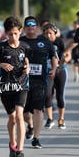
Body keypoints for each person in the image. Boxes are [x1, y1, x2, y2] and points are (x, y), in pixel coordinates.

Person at [0, 16, 30, 157]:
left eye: (16, 33)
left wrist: (27, 67)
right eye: (10, 34)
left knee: (19, 115)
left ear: (20, 31)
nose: (13, 37)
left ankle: (20, 151)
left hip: (21, 85)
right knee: (12, 117)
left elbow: (26, 59)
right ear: (6, 33)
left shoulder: (25, 46)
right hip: (6, 87)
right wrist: (1, 65)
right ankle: (12, 143)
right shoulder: (1, 48)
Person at [21, 16, 56, 149]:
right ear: (24, 28)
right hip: (22, 80)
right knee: (24, 112)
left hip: (40, 81)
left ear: (37, 27)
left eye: (33, 25)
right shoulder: (20, 41)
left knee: (38, 110)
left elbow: (54, 56)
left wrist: (53, 68)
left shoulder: (45, 41)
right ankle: (29, 125)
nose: (31, 27)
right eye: (28, 25)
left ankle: (36, 138)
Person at [43, 23, 68, 130]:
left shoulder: (59, 41)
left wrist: (66, 58)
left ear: (55, 33)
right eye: (46, 33)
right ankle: (50, 118)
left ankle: (61, 119)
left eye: (51, 33)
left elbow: (65, 54)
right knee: (48, 94)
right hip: (48, 71)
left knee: (60, 95)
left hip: (60, 70)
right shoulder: (42, 43)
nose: (48, 35)